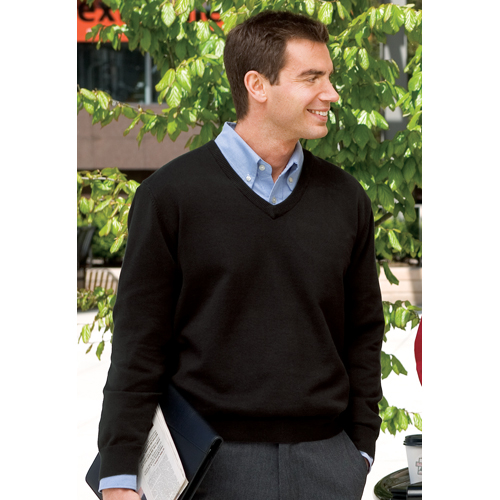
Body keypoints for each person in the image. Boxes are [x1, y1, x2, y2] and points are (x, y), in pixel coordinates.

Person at [97, 10, 385, 500]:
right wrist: (120, 474)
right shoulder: (170, 196)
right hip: (208, 468)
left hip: (328, 465)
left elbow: (363, 334)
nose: (331, 94)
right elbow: (139, 344)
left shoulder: (346, 199)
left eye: (329, 77)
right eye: (312, 78)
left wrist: (359, 450)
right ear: (257, 85)